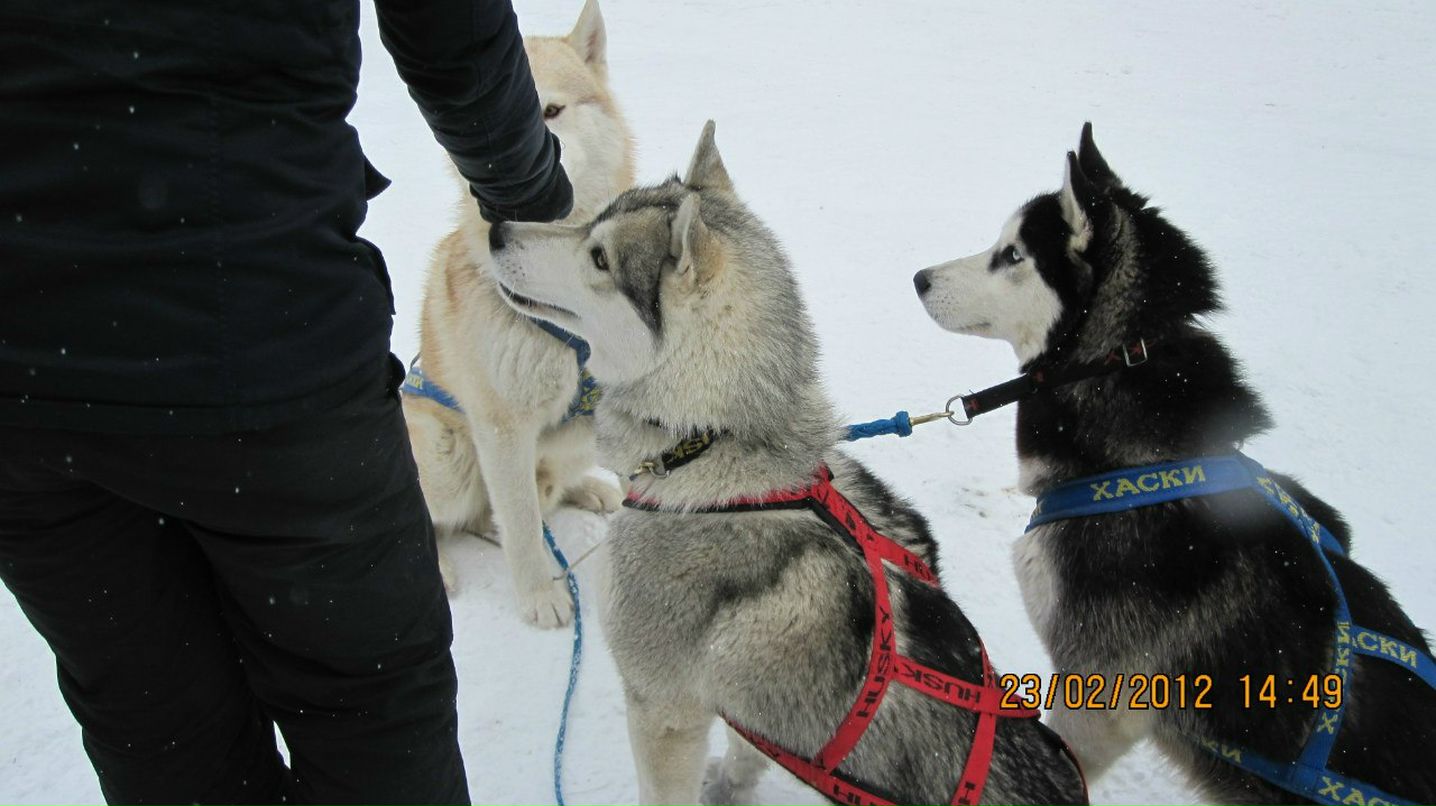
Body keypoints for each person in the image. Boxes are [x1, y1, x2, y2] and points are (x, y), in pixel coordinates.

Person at [0, 0, 572, 802]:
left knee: (156, 720)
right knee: (367, 706)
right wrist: (530, 188)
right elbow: (453, 31)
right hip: (264, 346)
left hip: (25, 386)